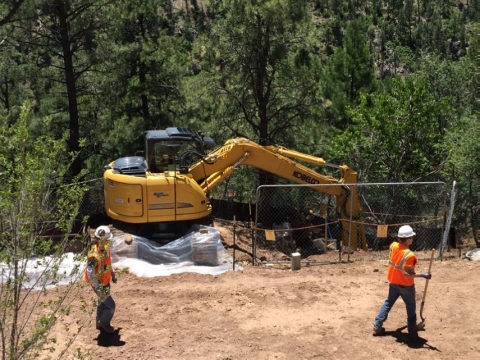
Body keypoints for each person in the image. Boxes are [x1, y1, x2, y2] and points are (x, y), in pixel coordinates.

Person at [372, 225, 432, 337]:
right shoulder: (409, 255)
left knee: (388, 302)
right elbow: (406, 273)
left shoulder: (393, 245)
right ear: (408, 239)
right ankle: (412, 328)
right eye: (412, 237)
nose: (413, 239)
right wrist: (423, 275)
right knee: (410, 305)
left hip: (393, 281)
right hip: (406, 285)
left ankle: (377, 326)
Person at [84, 225, 117, 334]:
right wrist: (98, 288)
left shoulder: (105, 249)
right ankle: (104, 323)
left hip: (106, 282)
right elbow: (90, 274)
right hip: (99, 285)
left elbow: (108, 263)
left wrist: (112, 274)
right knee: (111, 305)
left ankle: (99, 323)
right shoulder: (94, 256)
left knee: (102, 303)